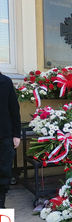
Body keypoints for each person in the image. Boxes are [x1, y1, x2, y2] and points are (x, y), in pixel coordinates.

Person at [0, 72, 21, 208]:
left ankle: (1, 203)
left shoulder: (5, 82)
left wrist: (16, 134)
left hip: (4, 135)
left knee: (4, 170)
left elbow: (14, 109)